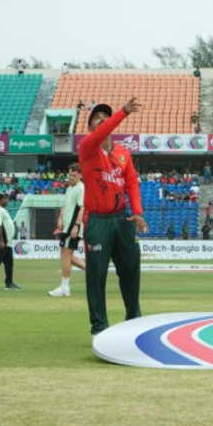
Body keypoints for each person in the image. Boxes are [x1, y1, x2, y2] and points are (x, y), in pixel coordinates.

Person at [78, 98, 148, 336]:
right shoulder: (87, 148)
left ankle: (133, 321)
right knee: (96, 277)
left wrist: (137, 212)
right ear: (89, 129)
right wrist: (123, 112)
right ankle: (99, 327)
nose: (102, 120)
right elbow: (103, 131)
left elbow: (131, 183)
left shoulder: (122, 154)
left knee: (131, 270)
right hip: (97, 221)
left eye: (105, 117)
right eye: (96, 118)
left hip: (122, 220)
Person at [49, 164, 87, 297]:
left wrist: (76, 226)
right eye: (70, 174)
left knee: (65, 255)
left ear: (80, 175)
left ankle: (65, 288)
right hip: (66, 227)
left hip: (72, 228)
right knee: (66, 255)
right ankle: (94, 273)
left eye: (74, 175)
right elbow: (65, 206)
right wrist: (60, 218)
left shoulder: (81, 188)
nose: (71, 177)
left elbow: (81, 208)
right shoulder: (70, 188)